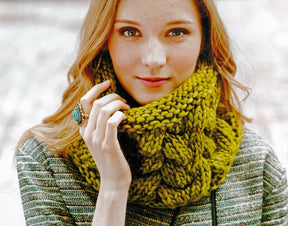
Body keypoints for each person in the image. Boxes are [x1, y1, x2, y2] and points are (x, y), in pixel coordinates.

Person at [16, 0, 288, 225]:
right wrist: (113, 187)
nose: (154, 59)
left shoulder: (256, 162)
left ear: (204, 41)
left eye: (177, 32)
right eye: (130, 32)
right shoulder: (47, 160)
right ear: (103, 40)